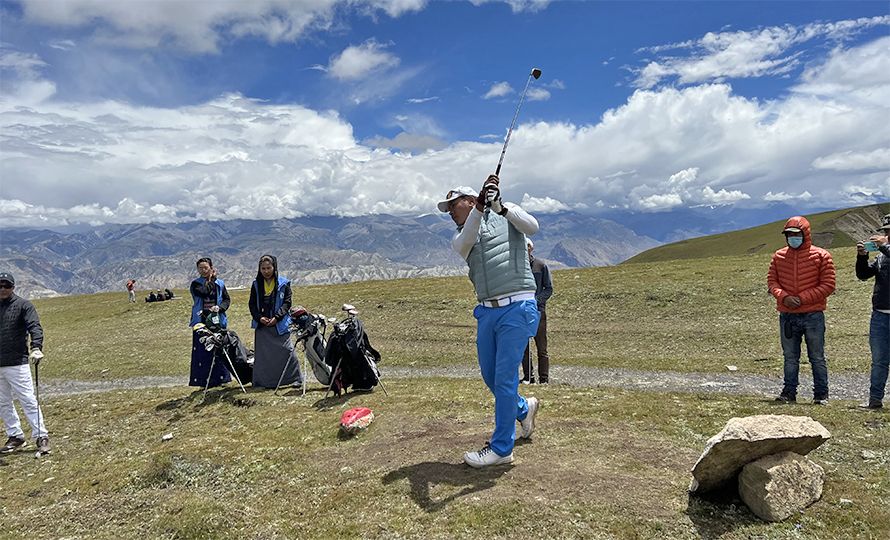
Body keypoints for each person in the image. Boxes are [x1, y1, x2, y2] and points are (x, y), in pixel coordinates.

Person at [438, 176, 541, 468]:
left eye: (454, 205)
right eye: (448, 208)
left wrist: (501, 207)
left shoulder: (506, 213)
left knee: (505, 378)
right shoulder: (460, 236)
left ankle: (501, 449)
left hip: (517, 306)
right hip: (487, 310)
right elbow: (469, 238)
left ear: (469, 200)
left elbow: (532, 227)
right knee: (490, 376)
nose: (450, 212)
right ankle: (523, 408)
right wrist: (481, 207)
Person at [767, 216, 836, 405]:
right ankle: (789, 393)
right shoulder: (779, 256)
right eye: (789, 235)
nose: (792, 238)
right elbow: (772, 282)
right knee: (790, 357)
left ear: (805, 234)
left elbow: (828, 284)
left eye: (796, 234)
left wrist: (802, 299)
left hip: (813, 315)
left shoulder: (822, 256)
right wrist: (784, 297)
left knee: (817, 357)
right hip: (787, 315)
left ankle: (821, 394)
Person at [0, 272, 50, 455]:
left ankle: (41, 435)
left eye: (6, 285)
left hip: (17, 362)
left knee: (27, 399)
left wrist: (36, 347)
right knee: (3, 402)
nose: (3, 289)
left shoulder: (23, 305)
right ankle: (15, 435)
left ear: (13, 287)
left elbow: (34, 326)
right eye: (0, 285)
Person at [249, 255, 302, 389]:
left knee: (287, 350)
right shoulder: (256, 285)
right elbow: (252, 304)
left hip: (279, 324)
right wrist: (259, 318)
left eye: (269, 268)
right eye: (263, 268)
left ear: (274, 267)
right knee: (264, 355)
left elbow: (287, 302)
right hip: (262, 325)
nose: (266, 271)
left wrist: (277, 317)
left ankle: (295, 379)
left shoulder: (284, 284)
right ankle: (264, 382)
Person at [856, 213, 890, 410]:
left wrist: (884, 245)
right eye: (886, 232)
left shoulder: (885, 250)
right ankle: (874, 400)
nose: (887, 235)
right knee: (879, 360)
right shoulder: (882, 256)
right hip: (880, 315)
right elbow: (863, 274)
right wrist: (862, 257)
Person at [189, 257, 232, 388]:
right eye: (200, 268)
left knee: (219, 349)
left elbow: (226, 299)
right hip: (201, 321)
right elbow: (205, 292)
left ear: (211, 268)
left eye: (206, 268)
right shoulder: (196, 284)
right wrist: (212, 279)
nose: (203, 270)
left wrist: (220, 308)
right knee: (203, 351)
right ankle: (204, 381)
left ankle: (221, 379)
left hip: (217, 320)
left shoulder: (220, 284)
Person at [522, 238, 553, 384]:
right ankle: (528, 377)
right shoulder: (517, 267)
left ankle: (544, 379)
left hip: (538, 312)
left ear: (531, 248)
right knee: (524, 347)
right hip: (521, 312)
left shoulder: (541, 266)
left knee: (541, 346)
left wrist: (535, 301)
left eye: (526, 246)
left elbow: (549, 289)